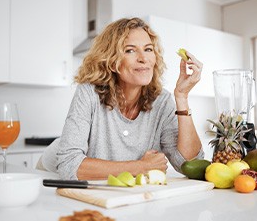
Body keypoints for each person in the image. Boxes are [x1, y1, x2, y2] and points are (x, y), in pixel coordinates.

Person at [40, 17, 204, 180]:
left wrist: (181, 97)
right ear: (111, 62)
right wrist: (141, 167)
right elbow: (69, 165)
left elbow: (190, 165)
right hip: (50, 172)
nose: (143, 58)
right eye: (130, 50)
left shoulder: (162, 101)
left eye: (148, 49)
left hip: (108, 183)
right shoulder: (88, 93)